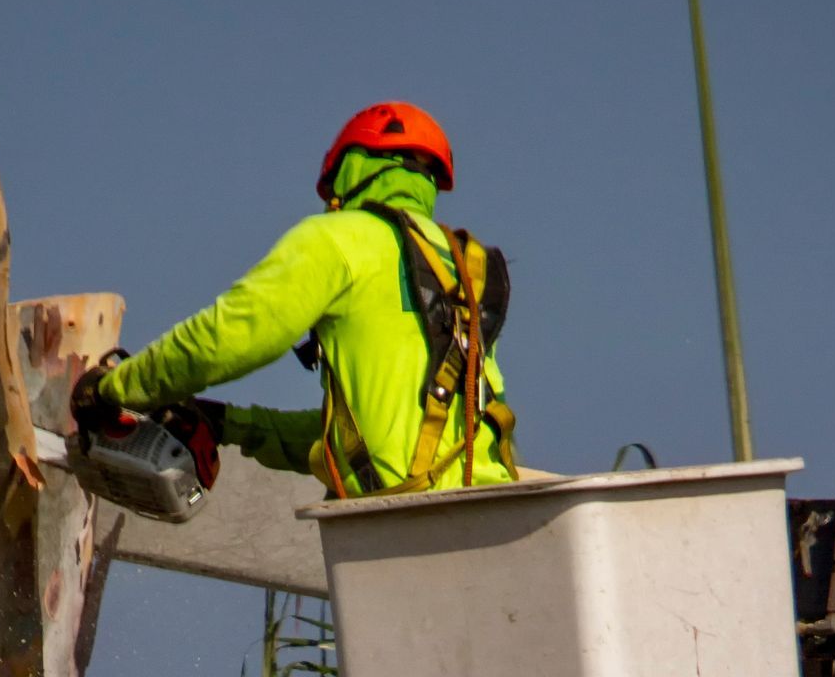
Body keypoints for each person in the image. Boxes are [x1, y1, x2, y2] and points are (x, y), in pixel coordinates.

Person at [70, 102, 519, 498]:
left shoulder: (339, 240)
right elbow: (359, 434)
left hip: (402, 523)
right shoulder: (459, 268)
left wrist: (114, 389)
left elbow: (235, 334)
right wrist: (229, 423)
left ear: (349, 169)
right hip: (490, 512)